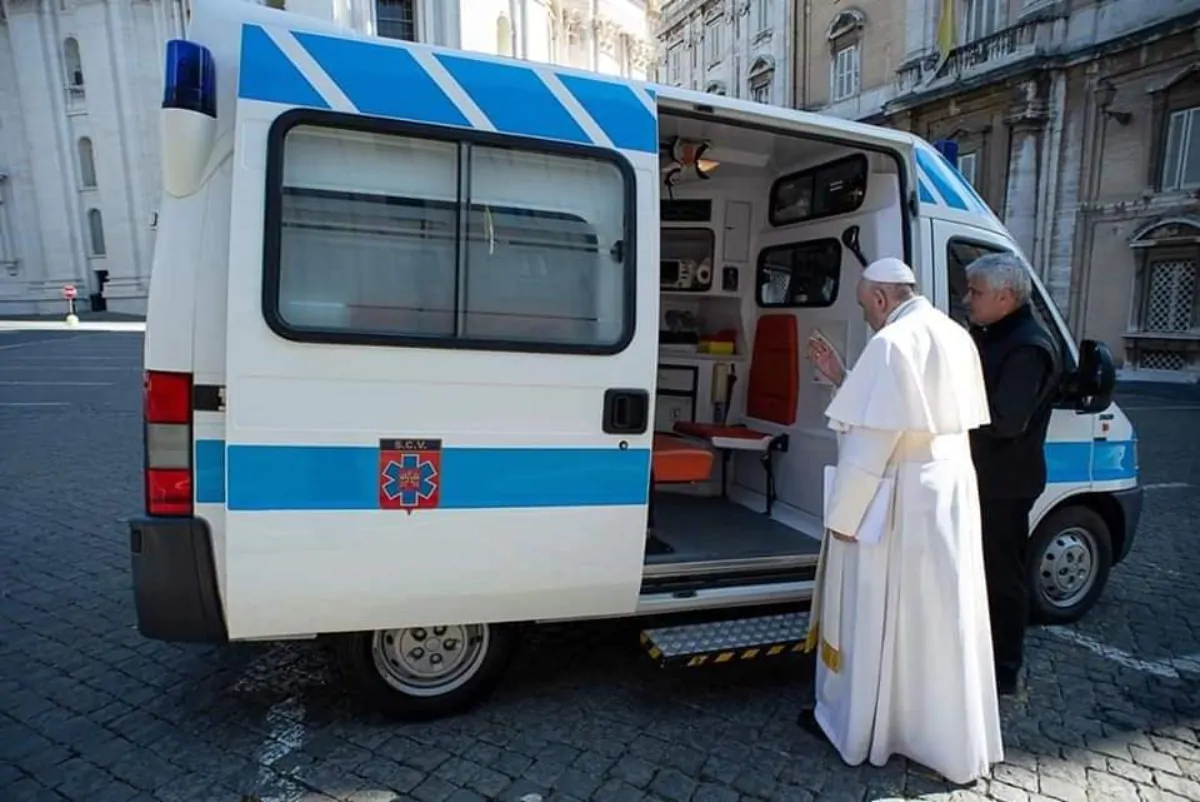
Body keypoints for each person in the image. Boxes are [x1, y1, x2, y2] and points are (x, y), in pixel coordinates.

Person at [800, 256, 1003, 786]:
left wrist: (844, 515)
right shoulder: (954, 334)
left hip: (898, 502)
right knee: (935, 619)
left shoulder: (891, 343)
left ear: (883, 298)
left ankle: (869, 728)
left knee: (878, 616)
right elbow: (906, 413)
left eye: (867, 305)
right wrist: (842, 377)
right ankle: (938, 735)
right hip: (947, 495)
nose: (867, 315)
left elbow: (870, 444)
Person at [963, 252, 1063, 696]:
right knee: (979, 572)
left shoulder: (1028, 345)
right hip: (982, 477)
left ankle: (1004, 671)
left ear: (1005, 297)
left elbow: (1006, 420)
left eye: (976, 292)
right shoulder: (994, 333)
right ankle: (977, 655)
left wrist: (948, 413)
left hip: (1003, 484)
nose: (968, 299)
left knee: (1001, 576)